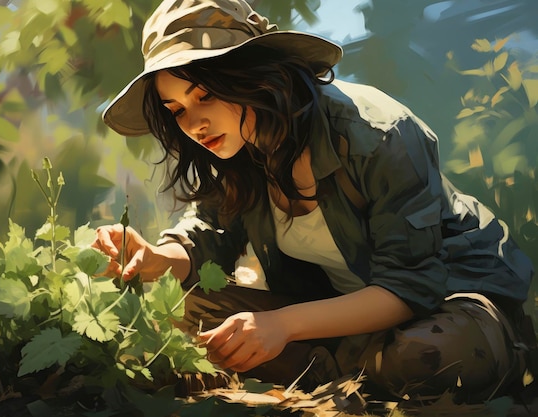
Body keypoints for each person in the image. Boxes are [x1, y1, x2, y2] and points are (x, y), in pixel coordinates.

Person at [94, 0, 535, 404]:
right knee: (191, 309)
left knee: (426, 355)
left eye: (205, 94)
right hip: (330, 310)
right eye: (176, 109)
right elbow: (208, 234)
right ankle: (344, 374)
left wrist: (282, 326)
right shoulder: (237, 146)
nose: (193, 124)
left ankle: (332, 375)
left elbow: (410, 286)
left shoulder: (378, 134)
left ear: (255, 75)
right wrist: (154, 257)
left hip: (446, 305)